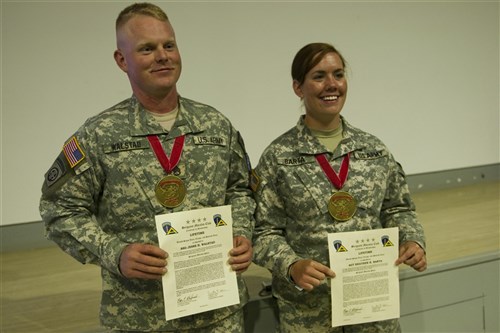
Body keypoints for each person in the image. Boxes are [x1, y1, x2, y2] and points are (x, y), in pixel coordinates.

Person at [39, 3, 255, 332]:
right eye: (146, 48)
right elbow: (58, 209)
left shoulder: (215, 125)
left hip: (218, 313)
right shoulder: (99, 134)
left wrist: (241, 234)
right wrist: (114, 252)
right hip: (139, 317)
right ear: (122, 60)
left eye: (169, 45)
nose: (162, 55)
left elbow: (240, 190)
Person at [251, 42, 427, 333]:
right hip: (309, 311)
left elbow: (398, 208)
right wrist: (291, 265)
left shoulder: (374, 149)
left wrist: (412, 241)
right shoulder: (277, 157)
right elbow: (262, 231)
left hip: (371, 308)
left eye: (339, 74)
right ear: (298, 87)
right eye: (319, 76)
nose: (331, 85)